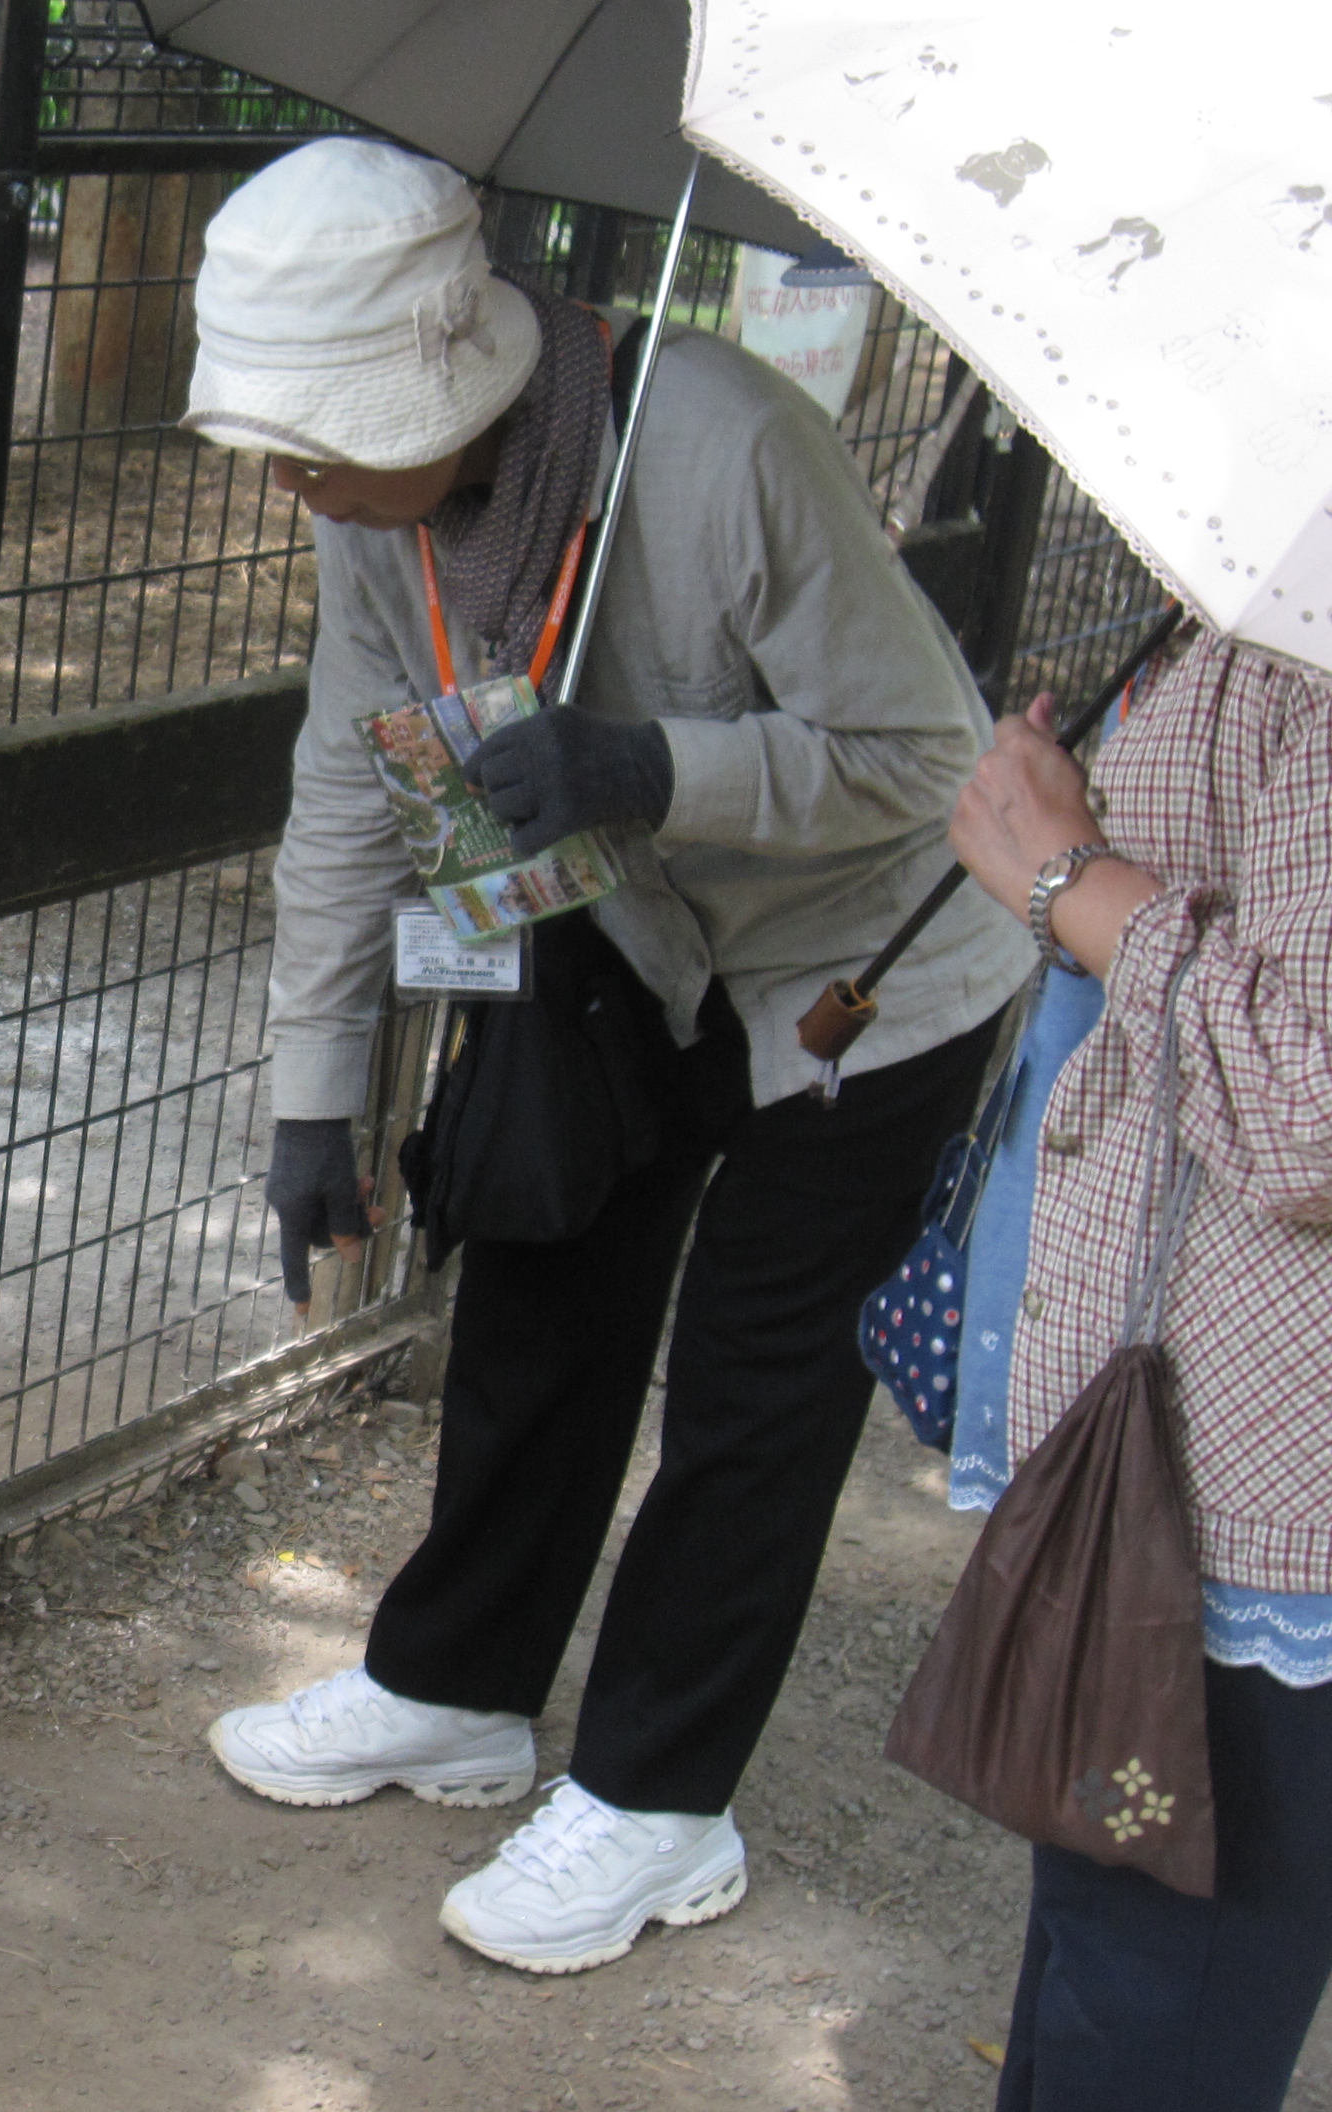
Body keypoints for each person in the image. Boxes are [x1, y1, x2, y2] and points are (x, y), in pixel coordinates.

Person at [181, 138, 1034, 1973]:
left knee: (750, 1382)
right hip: (628, 936)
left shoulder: (723, 443)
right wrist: (314, 1092)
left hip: (862, 969)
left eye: (314, 439)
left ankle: (657, 1799)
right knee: (540, 1292)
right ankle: (455, 1687)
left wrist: (653, 764)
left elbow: (929, 760)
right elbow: (350, 775)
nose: (289, 481)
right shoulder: (369, 507)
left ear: (445, 382)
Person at [945, 632, 1332, 2111]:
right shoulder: (1254, 605)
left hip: (1261, 1474)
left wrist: (1070, 875)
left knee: (1163, 2001)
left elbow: (1310, 1102)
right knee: (1104, 1956)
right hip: (1162, 1448)